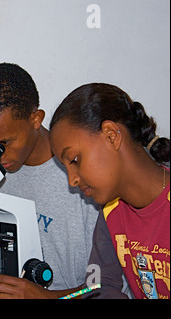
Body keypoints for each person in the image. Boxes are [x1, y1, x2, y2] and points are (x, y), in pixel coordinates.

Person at [0, 63, 100, 298]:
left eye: (4, 144)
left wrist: (47, 297)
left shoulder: (81, 176)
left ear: (35, 119)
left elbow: (106, 287)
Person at [49, 83, 170, 299]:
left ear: (111, 135)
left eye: (74, 160)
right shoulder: (111, 213)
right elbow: (99, 287)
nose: (72, 180)